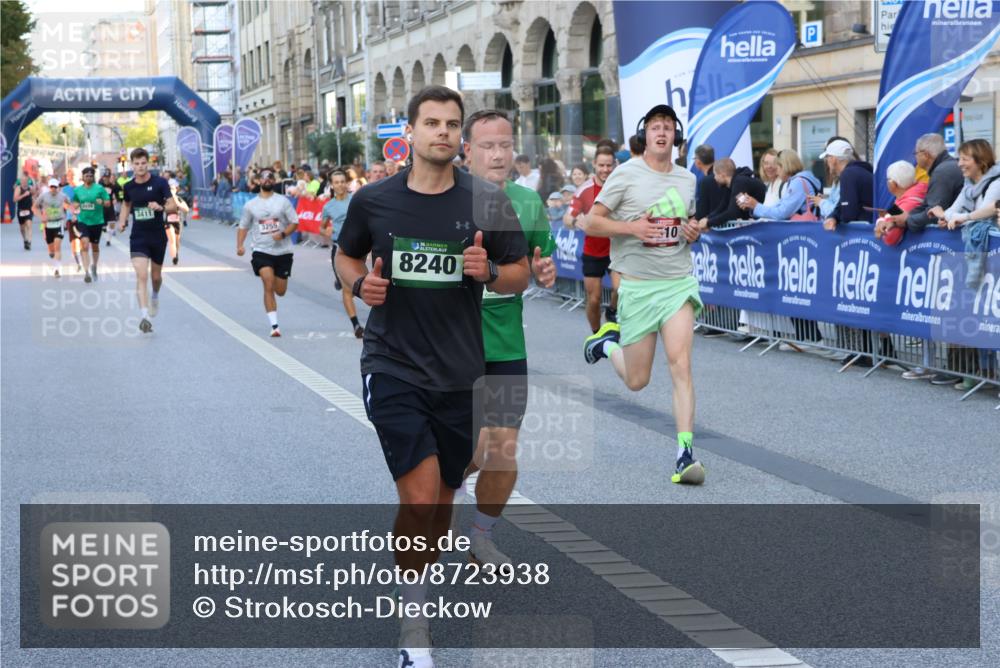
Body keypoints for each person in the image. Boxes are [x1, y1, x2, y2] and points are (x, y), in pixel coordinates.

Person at [335, 86, 529, 668]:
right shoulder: (374, 201)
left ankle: (421, 574)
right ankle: (414, 626)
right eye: (431, 123)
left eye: (451, 124)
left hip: (460, 373)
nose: (442, 132)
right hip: (392, 365)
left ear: (460, 137)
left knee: (442, 503)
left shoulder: (489, 201)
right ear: (412, 132)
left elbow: (520, 276)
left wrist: (490, 269)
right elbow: (346, 256)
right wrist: (357, 283)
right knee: (420, 500)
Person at [581, 104, 705, 485]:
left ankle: (685, 455)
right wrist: (632, 228)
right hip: (636, 285)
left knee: (681, 364)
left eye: (668, 127)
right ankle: (607, 347)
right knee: (637, 381)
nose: (662, 133)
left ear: (676, 136)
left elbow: (687, 221)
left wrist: (692, 230)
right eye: (655, 127)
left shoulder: (687, 179)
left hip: (677, 283)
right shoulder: (625, 174)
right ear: (645, 134)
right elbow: (592, 221)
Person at [458, 108, 556, 569]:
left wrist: (543, 272)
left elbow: (537, 266)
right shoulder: (445, 199)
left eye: (505, 145)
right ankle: (435, 491)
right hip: (450, 345)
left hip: (504, 345)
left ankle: (481, 537)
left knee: (501, 451)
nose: (498, 155)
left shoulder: (528, 202)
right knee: (465, 453)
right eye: (487, 146)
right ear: (467, 151)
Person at [117, 148, 176, 334]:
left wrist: (160, 206)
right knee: (141, 275)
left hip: (158, 235)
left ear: (147, 164)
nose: (140, 167)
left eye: (143, 163)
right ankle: (144, 316)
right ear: (132, 165)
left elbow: (173, 206)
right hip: (139, 236)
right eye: (137, 163)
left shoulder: (160, 183)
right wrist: (122, 221)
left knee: (156, 277)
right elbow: (126, 204)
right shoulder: (128, 186)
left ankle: (155, 295)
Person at [236, 169, 299, 337]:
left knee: (280, 290)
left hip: (283, 251)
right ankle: (274, 326)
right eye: (263, 177)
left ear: (274, 180)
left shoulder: (283, 202)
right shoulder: (251, 205)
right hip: (261, 250)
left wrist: (284, 234)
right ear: (258, 181)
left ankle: (274, 320)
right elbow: (243, 226)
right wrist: (240, 245)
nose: (267, 180)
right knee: (268, 283)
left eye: (270, 177)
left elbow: (294, 222)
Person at [565, 145, 620, 331]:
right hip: (593, 251)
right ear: (594, 164)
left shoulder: (621, 186)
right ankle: (597, 335)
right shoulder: (584, 190)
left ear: (615, 165)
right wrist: (574, 221)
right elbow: (567, 218)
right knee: (594, 299)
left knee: (622, 290)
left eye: (609, 165)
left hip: (617, 250)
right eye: (601, 165)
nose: (605, 170)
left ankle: (612, 311)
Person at [320, 169, 365, 338]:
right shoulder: (328, 206)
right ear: (332, 185)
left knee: (358, 286)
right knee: (347, 289)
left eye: (342, 182)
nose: (340, 185)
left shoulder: (356, 200)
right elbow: (322, 227)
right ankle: (356, 326)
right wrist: (328, 232)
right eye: (336, 182)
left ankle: (339, 279)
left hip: (358, 249)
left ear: (347, 183)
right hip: (339, 249)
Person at [739, 149, 821, 221]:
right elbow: (778, 207)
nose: (777, 172)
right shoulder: (797, 181)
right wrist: (753, 206)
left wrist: (756, 206)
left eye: (777, 168)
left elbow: (782, 213)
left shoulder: (798, 183)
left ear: (784, 166)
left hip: (804, 231)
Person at [821, 139, 875, 230]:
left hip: (863, 234)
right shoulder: (859, 170)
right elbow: (842, 205)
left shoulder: (848, 174)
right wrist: (833, 217)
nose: (827, 161)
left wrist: (837, 219)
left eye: (827, 157)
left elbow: (848, 214)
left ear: (833, 159)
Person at [700, 157, 766, 228]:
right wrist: (707, 218)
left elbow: (732, 213)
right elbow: (723, 206)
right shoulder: (731, 184)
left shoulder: (739, 182)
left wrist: (708, 223)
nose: (714, 178)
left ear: (722, 175)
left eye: (715, 174)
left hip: (764, 221)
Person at [874, 161, 927, 245]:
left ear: (892, 184)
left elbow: (890, 238)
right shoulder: (913, 194)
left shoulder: (910, 201)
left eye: (887, 180)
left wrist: (881, 221)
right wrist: (881, 221)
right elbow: (887, 216)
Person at [72, 166, 108, 283]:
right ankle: (86, 271)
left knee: (95, 246)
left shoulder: (100, 188)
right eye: (86, 176)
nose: (88, 177)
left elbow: (108, 203)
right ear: (82, 177)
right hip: (83, 221)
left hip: (97, 221)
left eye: (91, 176)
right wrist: (76, 206)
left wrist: (102, 202)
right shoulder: (77, 190)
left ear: (93, 177)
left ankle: (94, 266)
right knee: (85, 244)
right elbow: (75, 201)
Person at [34, 178, 71, 277]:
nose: (54, 189)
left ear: (58, 187)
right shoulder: (44, 196)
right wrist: (41, 216)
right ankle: (51, 252)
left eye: (55, 187)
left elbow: (69, 204)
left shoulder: (63, 196)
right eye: (52, 187)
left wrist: (71, 210)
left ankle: (57, 269)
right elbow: (34, 207)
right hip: (48, 224)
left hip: (59, 223)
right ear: (49, 187)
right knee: (51, 249)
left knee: (57, 246)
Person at [693, 144, 726, 220]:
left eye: (694, 158)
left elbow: (701, 211)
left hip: (711, 226)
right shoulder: (724, 175)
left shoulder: (705, 182)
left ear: (698, 162)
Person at [165, 179, 190, 265]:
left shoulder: (179, 199)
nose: (171, 191)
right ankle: (174, 257)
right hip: (168, 222)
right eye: (170, 189)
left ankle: (176, 253)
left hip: (178, 222)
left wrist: (178, 205)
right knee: (172, 240)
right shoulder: (166, 199)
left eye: (173, 189)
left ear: (176, 190)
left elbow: (187, 209)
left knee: (177, 241)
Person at [99, 170, 123, 246]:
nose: (106, 179)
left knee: (112, 223)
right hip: (101, 207)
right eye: (105, 177)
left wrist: (117, 199)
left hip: (110, 207)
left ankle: (108, 240)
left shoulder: (113, 186)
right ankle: (104, 229)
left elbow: (119, 195)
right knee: (103, 226)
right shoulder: (99, 185)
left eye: (108, 177)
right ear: (103, 178)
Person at [13, 170, 36, 250]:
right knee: (22, 228)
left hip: (29, 209)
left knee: (29, 225)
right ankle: (25, 240)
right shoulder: (18, 189)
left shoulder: (30, 188)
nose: (24, 182)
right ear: (20, 181)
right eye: (23, 181)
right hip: (21, 210)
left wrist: (34, 201)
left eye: (26, 181)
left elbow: (34, 194)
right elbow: (15, 199)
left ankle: (29, 242)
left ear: (27, 181)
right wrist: (24, 195)